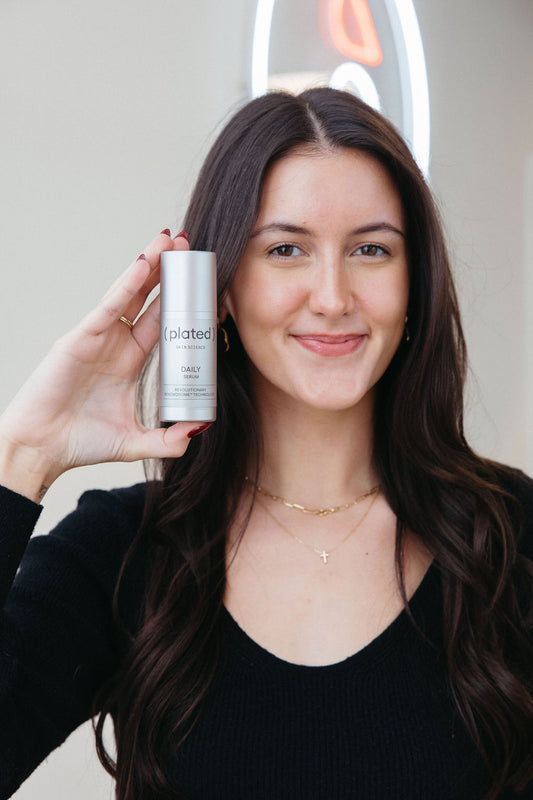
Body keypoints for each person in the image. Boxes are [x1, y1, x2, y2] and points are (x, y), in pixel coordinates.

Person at [0, 88, 532, 800]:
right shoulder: (123, 551)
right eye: (286, 249)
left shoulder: (511, 537)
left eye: (371, 249)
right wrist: (23, 454)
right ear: (220, 291)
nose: (332, 296)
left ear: (415, 285)